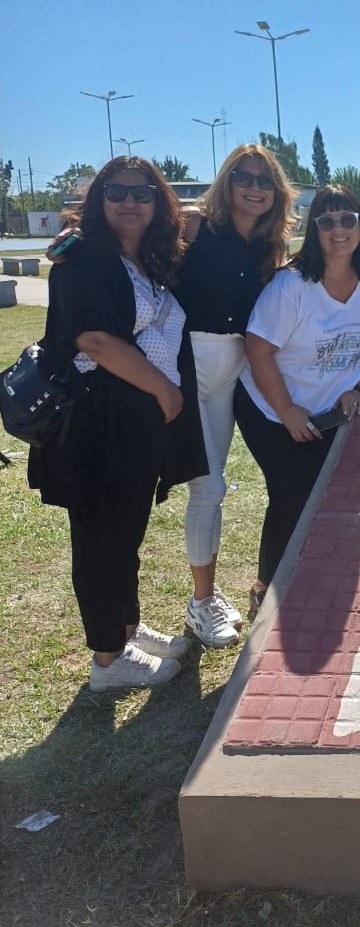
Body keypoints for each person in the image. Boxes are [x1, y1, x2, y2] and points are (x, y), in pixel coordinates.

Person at [27, 157, 205, 691]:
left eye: (143, 192)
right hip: (97, 416)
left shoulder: (146, 258)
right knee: (102, 535)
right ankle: (107, 659)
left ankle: (125, 628)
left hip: (136, 418)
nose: (130, 202)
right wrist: (164, 388)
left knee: (125, 530)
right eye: (117, 192)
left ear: (159, 201)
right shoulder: (86, 257)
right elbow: (95, 341)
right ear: (100, 200)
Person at [235, 185, 360, 620]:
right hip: (270, 406)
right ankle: (266, 589)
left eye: (348, 219)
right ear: (314, 230)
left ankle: (317, 579)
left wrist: (358, 387)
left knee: (335, 498)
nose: (338, 229)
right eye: (327, 221)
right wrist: (286, 410)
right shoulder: (293, 285)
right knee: (292, 495)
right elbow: (257, 349)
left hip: (328, 412)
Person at [177, 143, 295, 647]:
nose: (253, 187)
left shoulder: (269, 250)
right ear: (226, 182)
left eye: (264, 181)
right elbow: (127, 242)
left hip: (233, 371)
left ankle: (203, 600)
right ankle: (202, 603)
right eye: (243, 177)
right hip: (186, 362)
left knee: (210, 486)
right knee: (210, 487)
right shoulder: (194, 225)